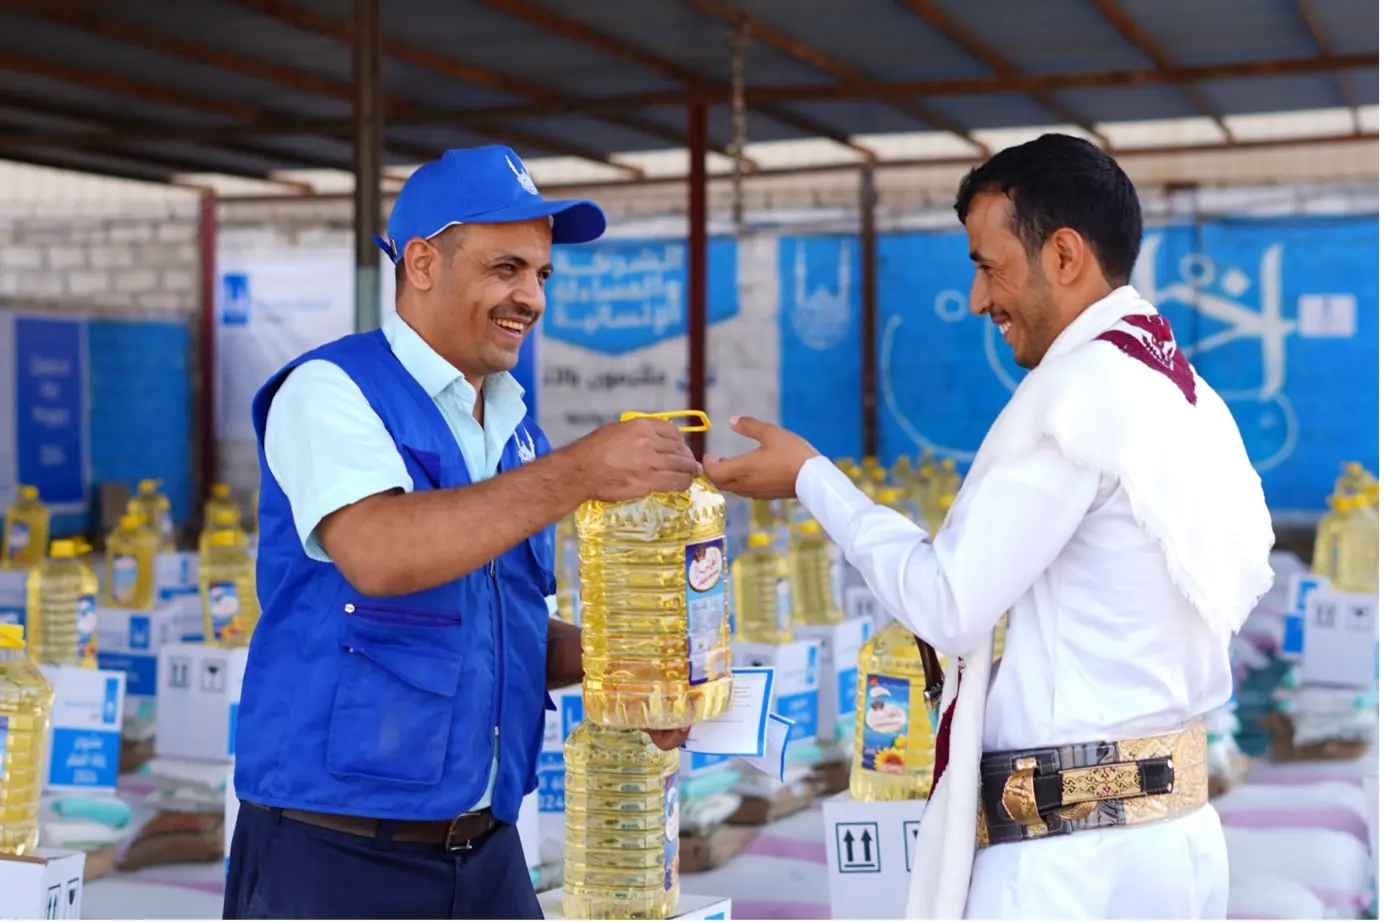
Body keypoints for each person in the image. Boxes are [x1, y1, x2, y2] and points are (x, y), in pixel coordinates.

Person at [703, 134, 1274, 919]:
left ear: (1065, 255)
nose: (979, 300)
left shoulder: (1077, 396)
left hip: (1070, 865)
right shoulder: (1186, 396)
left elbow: (947, 603)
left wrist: (812, 479)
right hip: (1176, 842)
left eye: (987, 264)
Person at [224, 145, 698, 921]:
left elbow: (491, 624)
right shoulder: (330, 391)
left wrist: (633, 665)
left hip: (485, 849)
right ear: (420, 263)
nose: (531, 297)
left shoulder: (512, 428)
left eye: (541, 274)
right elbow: (379, 553)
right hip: (337, 851)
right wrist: (582, 471)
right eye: (506, 267)